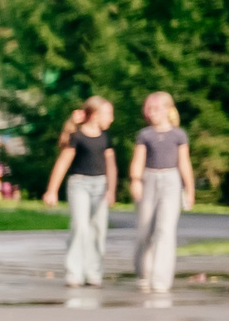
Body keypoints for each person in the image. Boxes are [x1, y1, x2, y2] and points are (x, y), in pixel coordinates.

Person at [41, 96, 116, 287]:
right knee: (80, 227)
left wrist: (111, 190)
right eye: (109, 114)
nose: (112, 118)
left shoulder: (106, 137)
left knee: (98, 229)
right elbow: (63, 161)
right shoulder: (78, 136)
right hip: (79, 185)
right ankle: (74, 272)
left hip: (100, 185)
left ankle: (94, 272)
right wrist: (52, 190)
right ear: (96, 115)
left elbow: (111, 165)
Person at [130, 91, 193, 293]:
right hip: (149, 178)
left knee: (165, 230)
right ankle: (144, 273)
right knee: (145, 229)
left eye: (155, 109)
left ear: (167, 110)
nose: (151, 113)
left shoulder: (178, 135)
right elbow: (138, 160)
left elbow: (184, 163)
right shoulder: (145, 134)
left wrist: (189, 188)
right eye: (148, 109)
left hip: (171, 180)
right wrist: (136, 180)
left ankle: (161, 280)